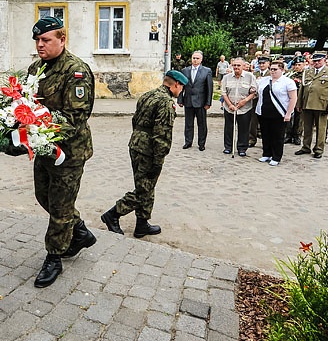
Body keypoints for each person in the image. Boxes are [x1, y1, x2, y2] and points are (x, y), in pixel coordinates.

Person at [28, 17, 96, 288]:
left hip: (69, 152)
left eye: (46, 40)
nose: (40, 45)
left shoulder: (76, 71)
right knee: (43, 196)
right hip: (43, 149)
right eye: (37, 40)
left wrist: (38, 129)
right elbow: (24, 102)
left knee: (59, 205)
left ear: (62, 39)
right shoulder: (36, 68)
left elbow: (74, 117)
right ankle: (79, 232)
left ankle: (54, 256)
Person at [103, 70, 188, 238]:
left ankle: (142, 224)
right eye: (182, 87)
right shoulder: (166, 102)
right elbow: (162, 134)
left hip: (136, 145)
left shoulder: (148, 95)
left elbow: (135, 120)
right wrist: (158, 160)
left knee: (146, 186)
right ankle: (113, 214)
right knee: (144, 190)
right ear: (176, 85)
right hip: (148, 151)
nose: (182, 91)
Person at [295, 51, 328, 159]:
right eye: (314, 61)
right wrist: (299, 103)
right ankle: (306, 147)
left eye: (319, 60)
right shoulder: (308, 71)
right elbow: (302, 88)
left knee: (321, 128)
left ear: (324, 60)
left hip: (322, 104)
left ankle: (319, 149)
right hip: (307, 103)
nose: (316, 63)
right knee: (307, 127)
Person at [255, 60, 296, 166]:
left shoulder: (288, 82)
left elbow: (293, 98)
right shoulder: (264, 80)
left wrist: (288, 113)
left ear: (282, 70)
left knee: (277, 136)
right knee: (265, 134)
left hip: (279, 113)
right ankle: (266, 153)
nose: (272, 71)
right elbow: (256, 90)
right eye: (271, 69)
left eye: (275, 69)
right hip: (263, 112)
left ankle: (276, 156)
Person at [220, 57, 257, 156]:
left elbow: (254, 92)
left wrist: (244, 101)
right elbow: (224, 93)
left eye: (238, 65)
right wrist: (230, 104)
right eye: (234, 65)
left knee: (244, 129)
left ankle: (242, 148)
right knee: (229, 128)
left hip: (245, 108)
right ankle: (228, 147)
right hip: (229, 108)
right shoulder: (226, 77)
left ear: (243, 66)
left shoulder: (250, 77)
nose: (236, 67)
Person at [177, 50, 213, 151]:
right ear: (191, 59)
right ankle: (188, 141)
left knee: (202, 124)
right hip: (188, 100)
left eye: (197, 58)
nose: (195, 60)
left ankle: (201, 143)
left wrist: (208, 102)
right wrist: (180, 99)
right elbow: (181, 86)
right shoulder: (185, 71)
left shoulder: (207, 71)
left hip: (201, 102)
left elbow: (209, 88)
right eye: (194, 58)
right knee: (188, 123)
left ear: (201, 60)